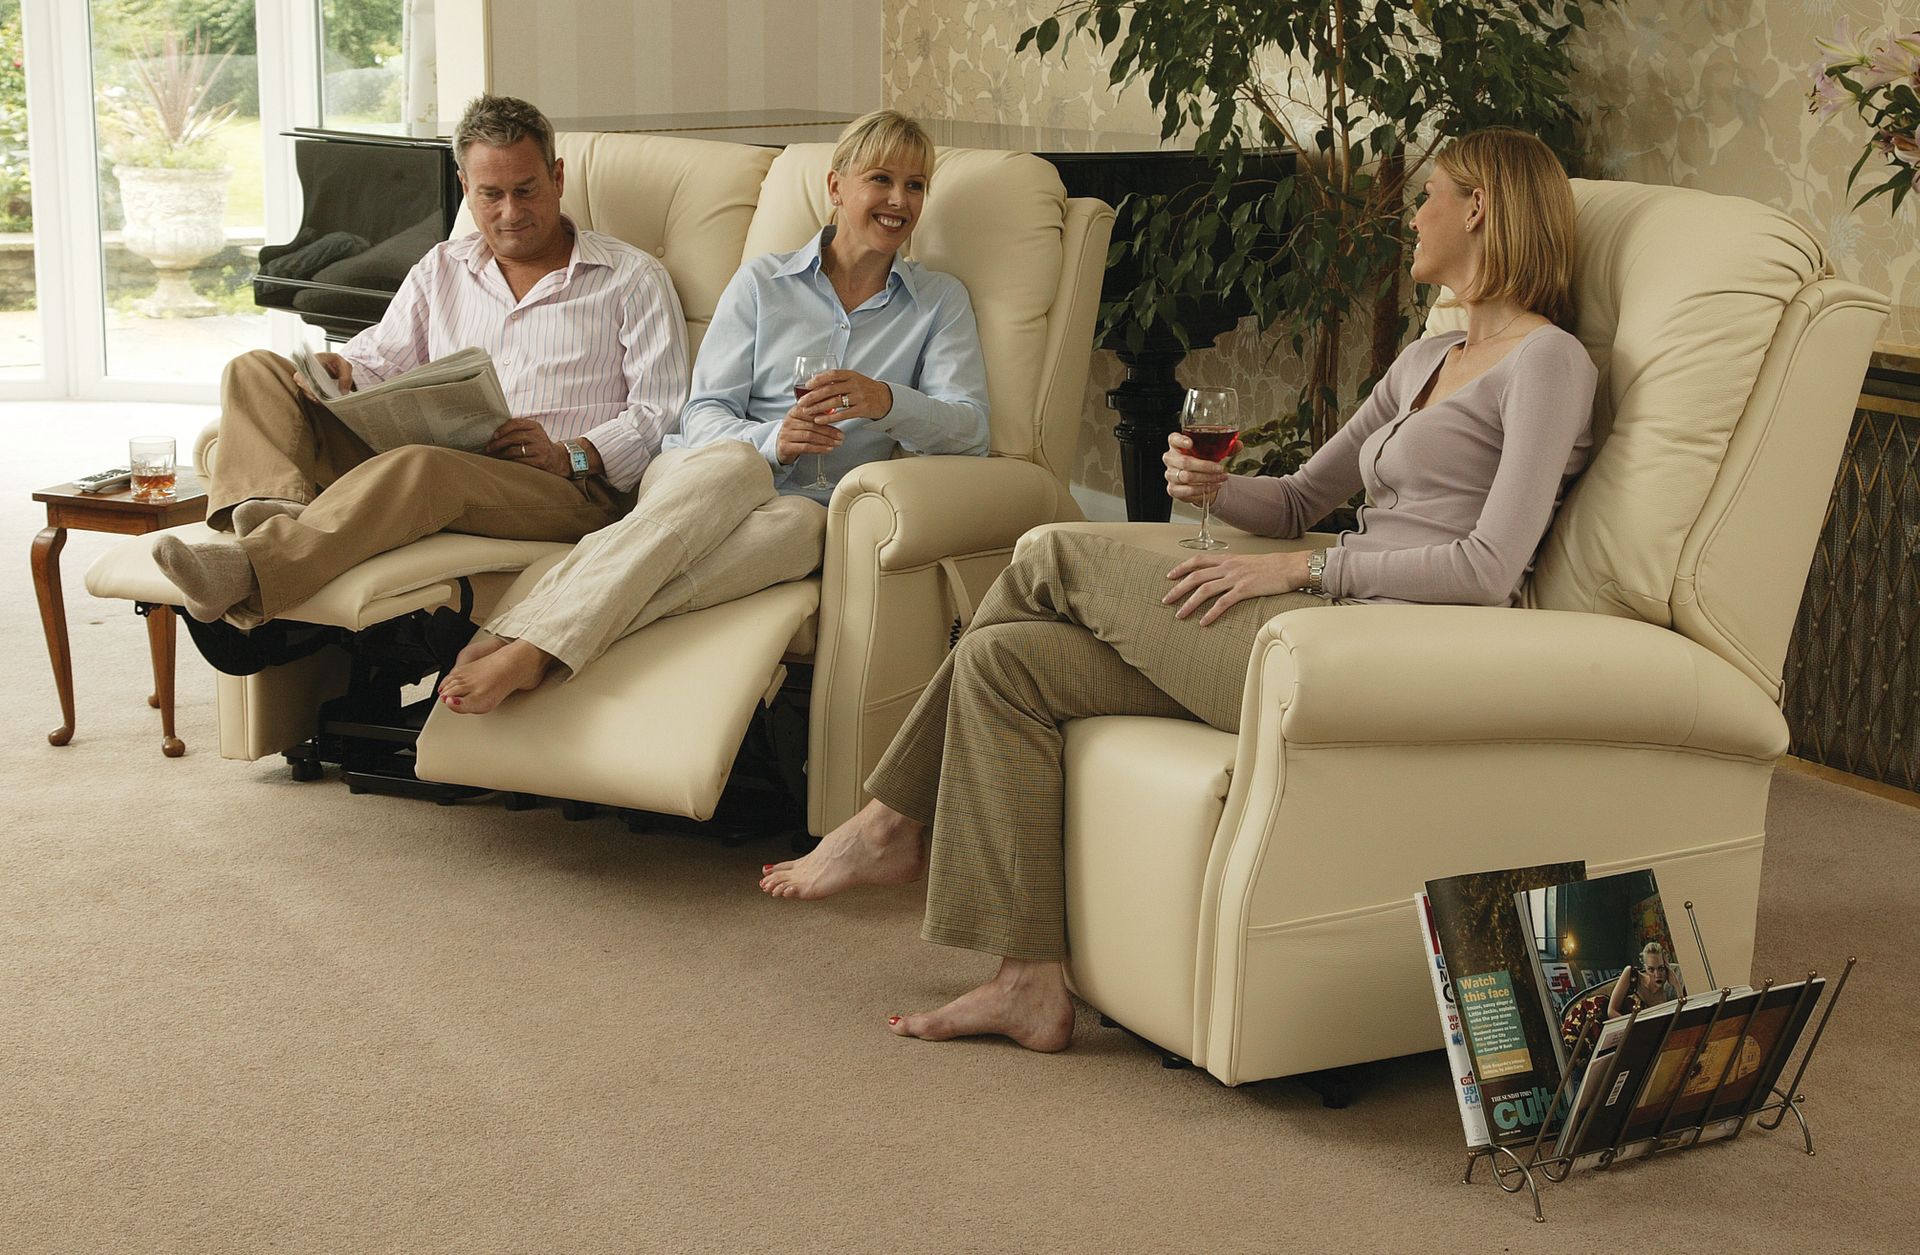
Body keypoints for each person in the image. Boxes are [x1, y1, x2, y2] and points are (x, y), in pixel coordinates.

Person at [758, 127, 1601, 1054]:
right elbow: (1296, 501)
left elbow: (1487, 568)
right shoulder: (1421, 362)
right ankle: (1029, 980)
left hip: (1383, 648)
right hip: (1319, 621)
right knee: (1005, 661)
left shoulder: (1548, 362)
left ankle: (887, 818)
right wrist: (1212, 490)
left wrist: (1304, 568)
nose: (1413, 216)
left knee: (1052, 552)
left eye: (1428, 196)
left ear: (1478, 208)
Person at [435, 109, 990, 713]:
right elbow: (701, 415)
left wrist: (887, 402)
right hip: (704, 472)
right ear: (836, 187)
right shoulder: (764, 283)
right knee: (737, 466)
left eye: (915, 186)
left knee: (798, 529)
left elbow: (971, 433)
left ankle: (525, 637)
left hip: (817, 507)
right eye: (880, 179)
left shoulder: (938, 302)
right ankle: (532, 652)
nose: (898, 200)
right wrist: (775, 441)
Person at [152, 94, 689, 627]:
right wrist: (343, 370)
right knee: (256, 369)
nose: (511, 212)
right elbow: (381, 358)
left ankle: (249, 571)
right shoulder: (443, 267)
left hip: (563, 486)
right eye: (491, 194)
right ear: (465, 189)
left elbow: (661, 415)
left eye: (526, 190)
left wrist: (570, 455)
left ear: (557, 177)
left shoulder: (631, 278)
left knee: (421, 464)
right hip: (438, 456)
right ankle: (268, 518)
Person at [1607, 942, 1681, 1018]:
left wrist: (1676, 984)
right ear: (1645, 968)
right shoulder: (1631, 975)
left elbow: (1680, 1014)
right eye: (1651, 969)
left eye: (1661, 968)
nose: (1657, 975)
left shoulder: (1664, 997)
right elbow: (1611, 1011)